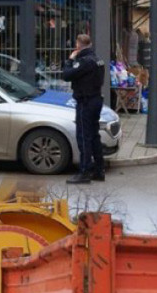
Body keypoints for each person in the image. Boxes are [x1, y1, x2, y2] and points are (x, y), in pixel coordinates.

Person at [62, 34, 106, 184]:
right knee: (94, 136)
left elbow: (66, 75)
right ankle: (99, 170)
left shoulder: (84, 62)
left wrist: (70, 59)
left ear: (78, 44)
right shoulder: (98, 59)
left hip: (85, 102)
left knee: (84, 137)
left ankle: (85, 172)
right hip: (96, 99)